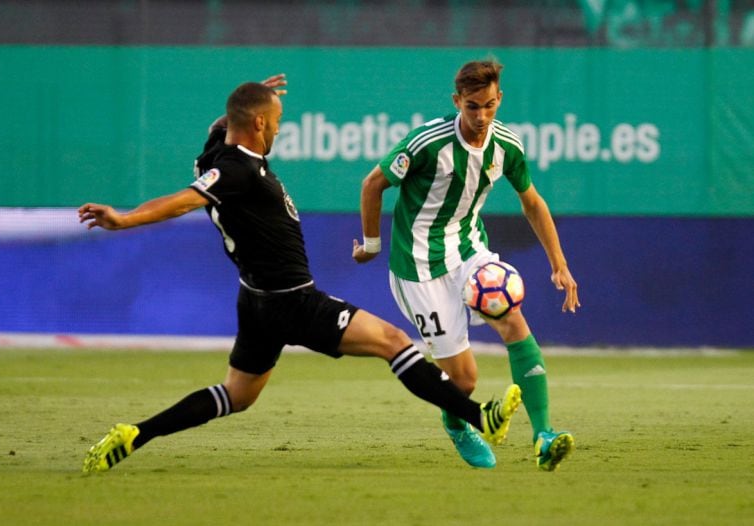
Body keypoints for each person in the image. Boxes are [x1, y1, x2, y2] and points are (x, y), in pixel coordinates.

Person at [79, 74, 523, 473]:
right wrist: (124, 219)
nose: (277, 128)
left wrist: (255, 96)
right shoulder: (238, 171)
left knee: (237, 394)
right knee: (394, 343)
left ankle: (136, 434)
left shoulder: (217, 150)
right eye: (275, 121)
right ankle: (478, 416)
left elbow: (221, 126)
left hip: (256, 300)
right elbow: (187, 199)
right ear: (256, 125)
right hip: (292, 299)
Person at [353, 59, 579, 471]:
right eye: (472, 106)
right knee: (465, 380)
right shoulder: (427, 143)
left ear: (500, 99)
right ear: (457, 101)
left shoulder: (507, 145)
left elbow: (532, 202)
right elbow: (373, 184)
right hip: (418, 267)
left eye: (490, 105)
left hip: (469, 251)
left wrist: (559, 263)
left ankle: (543, 435)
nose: (481, 116)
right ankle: (458, 425)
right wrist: (370, 244)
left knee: (514, 321)